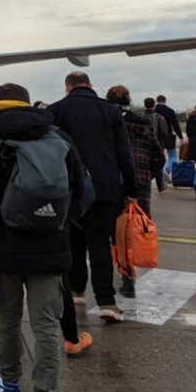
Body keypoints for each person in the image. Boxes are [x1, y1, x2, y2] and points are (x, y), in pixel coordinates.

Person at [0, 83, 84, 392]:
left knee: (7, 319)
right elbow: (81, 191)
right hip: (50, 247)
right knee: (46, 325)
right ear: (28, 104)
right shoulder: (58, 137)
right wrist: (56, 222)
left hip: (1, 248)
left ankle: (11, 382)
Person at [49, 71, 136, 323]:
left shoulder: (57, 110)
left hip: (68, 188)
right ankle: (106, 301)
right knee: (99, 244)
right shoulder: (110, 111)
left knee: (73, 241)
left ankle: (76, 290)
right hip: (104, 188)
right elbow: (124, 155)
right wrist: (131, 190)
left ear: (67, 87)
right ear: (90, 85)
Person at [106, 86, 165, 299]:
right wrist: (146, 175)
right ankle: (129, 278)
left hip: (112, 183)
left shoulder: (107, 125)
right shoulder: (144, 125)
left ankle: (123, 277)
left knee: (115, 234)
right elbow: (159, 157)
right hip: (139, 184)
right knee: (133, 232)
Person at [144, 97, 171, 193]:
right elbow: (164, 133)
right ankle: (160, 185)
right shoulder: (159, 117)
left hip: (144, 145)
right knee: (158, 163)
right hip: (157, 144)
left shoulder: (140, 117)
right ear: (154, 105)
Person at [155, 95, 183, 183]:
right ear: (165, 101)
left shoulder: (153, 111)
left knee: (158, 157)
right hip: (168, 136)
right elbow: (175, 124)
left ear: (157, 100)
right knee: (172, 156)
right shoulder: (169, 111)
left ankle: (160, 176)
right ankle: (166, 170)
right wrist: (180, 137)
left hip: (155, 137)